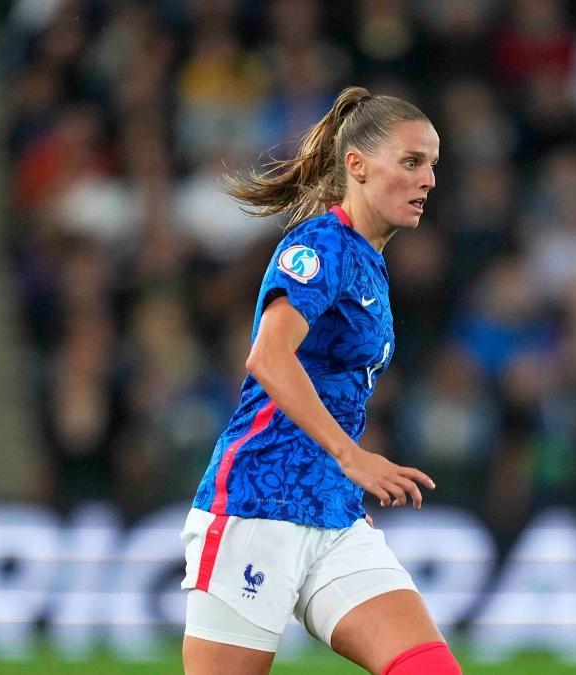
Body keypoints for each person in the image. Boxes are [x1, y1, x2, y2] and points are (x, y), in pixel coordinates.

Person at [179, 86, 461, 675]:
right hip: (257, 506)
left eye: (433, 163)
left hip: (332, 514)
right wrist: (351, 456)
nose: (429, 179)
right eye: (412, 162)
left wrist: (342, 474)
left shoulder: (369, 260)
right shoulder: (319, 245)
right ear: (356, 165)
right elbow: (269, 357)